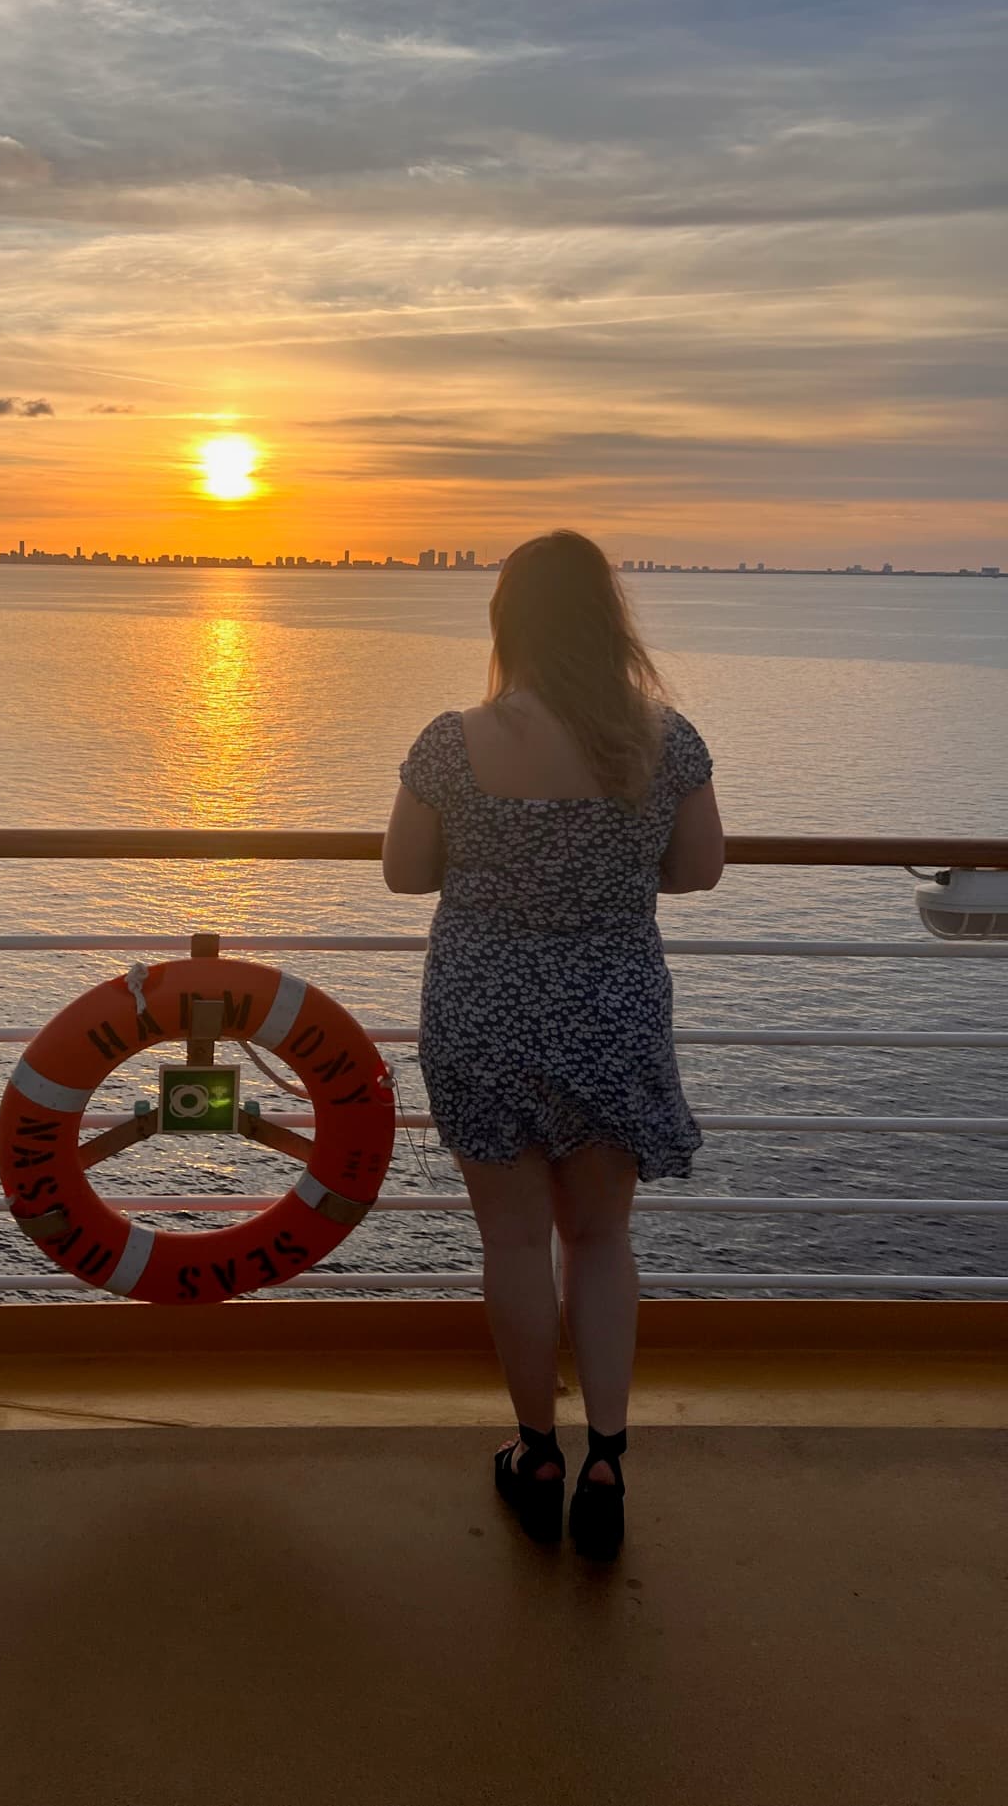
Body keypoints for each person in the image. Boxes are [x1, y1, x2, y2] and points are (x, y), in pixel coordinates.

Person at [382, 530, 724, 1558]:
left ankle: (535, 1448)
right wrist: (608, 872)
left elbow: (404, 873)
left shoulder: (454, 741)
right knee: (604, 1239)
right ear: (607, 622)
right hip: (611, 1008)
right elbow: (699, 870)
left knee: (515, 1242)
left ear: (508, 622)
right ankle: (609, 1456)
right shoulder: (666, 741)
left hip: (484, 1011)